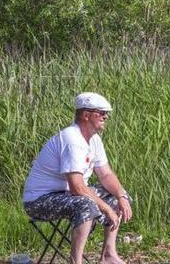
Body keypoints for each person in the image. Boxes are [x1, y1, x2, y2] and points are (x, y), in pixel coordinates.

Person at [22, 92, 133, 264]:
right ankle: (76, 262)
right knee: (85, 204)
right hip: (39, 200)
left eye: (106, 113)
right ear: (86, 115)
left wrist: (121, 197)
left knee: (116, 195)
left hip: (66, 195)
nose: (106, 116)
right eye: (101, 112)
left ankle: (108, 256)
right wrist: (107, 209)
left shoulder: (94, 140)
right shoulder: (72, 140)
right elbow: (77, 188)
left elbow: (106, 174)